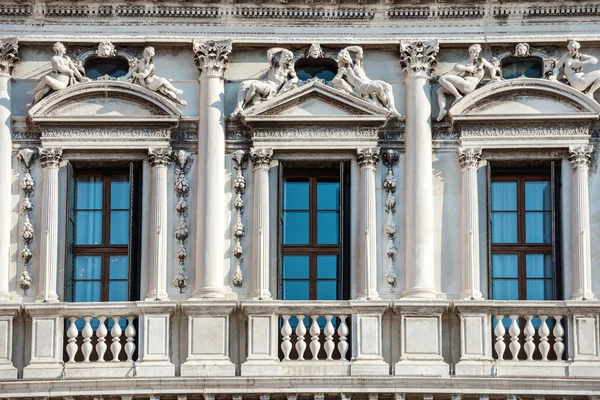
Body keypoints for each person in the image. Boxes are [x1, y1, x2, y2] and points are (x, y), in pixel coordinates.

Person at [436, 44, 498, 121]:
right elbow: (456, 67)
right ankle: (443, 110)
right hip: (463, 84)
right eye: (475, 52)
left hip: (469, 85)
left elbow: (491, 67)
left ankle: (458, 96)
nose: (476, 54)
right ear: (470, 52)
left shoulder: (481, 60)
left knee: (442, 78)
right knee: (440, 91)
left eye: (478, 52)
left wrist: (493, 76)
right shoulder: (466, 62)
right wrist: (468, 68)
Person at [333, 46, 400, 117]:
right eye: (344, 57)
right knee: (379, 87)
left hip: (369, 81)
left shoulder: (357, 64)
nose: (346, 57)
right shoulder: (343, 70)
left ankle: (392, 108)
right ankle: (383, 102)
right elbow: (335, 80)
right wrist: (341, 81)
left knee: (388, 86)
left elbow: (359, 50)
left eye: (346, 55)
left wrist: (347, 48)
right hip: (361, 86)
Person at [231, 48, 298, 117]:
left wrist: (293, 80)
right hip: (264, 82)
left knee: (254, 85)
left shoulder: (288, 71)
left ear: (288, 60)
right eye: (283, 55)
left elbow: (295, 79)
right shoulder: (275, 65)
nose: (284, 57)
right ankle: (239, 106)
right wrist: (282, 49)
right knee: (243, 84)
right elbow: (269, 52)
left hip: (271, 89)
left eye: (286, 56)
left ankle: (245, 103)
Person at [121, 46, 187, 106]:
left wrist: (135, 74)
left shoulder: (151, 65)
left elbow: (143, 75)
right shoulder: (141, 62)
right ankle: (176, 93)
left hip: (151, 83)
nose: (143, 54)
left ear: (148, 55)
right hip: (147, 84)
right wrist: (125, 77)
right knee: (164, 86)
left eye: (144, 53)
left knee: (166, 89)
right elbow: (132, 70)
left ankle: (178, 98)